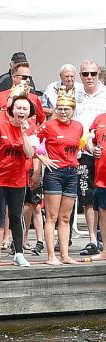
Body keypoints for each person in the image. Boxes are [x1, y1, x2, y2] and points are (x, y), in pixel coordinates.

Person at [36, 88, 84, 265]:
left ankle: (65, 254)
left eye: (66, 108)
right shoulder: (49, 125)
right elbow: (33, 139)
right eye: (60, 108)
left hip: (72, 172)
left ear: (73, 109)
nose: (63, 112)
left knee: (66, 217)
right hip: (54, 172)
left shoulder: (78, 126)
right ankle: (51, 256)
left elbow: (78, 146)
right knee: (52, 216)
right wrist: (42, 157)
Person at [0, 95, 37, 267]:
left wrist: (24, 133)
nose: (21, 111)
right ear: (12, 109)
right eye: (18, 108)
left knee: (15, 216)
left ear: (29, 112)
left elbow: (29, 153)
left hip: (18, 179)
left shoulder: (31, 128)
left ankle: (19, 253)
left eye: (25, 109)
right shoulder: (0, 124)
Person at [74, 60, 106, 255]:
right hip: (84, 151)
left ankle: (103, 237)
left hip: (104, 153)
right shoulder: (75, 95)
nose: (89, 78)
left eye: (93, 73)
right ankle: (93, 239)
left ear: (99, 74)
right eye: (85, 74)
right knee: (87, 198)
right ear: (81, 75)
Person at [90, 107, 106, 261]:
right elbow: (92, 143)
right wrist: (94, 150)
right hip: (102, 175)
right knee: (103, 213)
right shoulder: (99, 118)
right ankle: (105, 250)